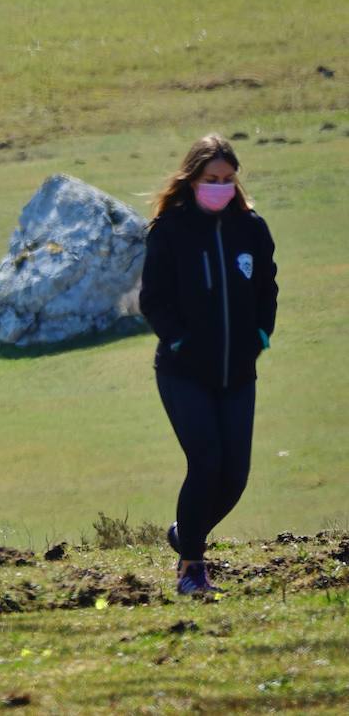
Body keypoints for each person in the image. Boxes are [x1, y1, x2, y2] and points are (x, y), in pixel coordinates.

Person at [139, 134, 278, 596]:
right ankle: (191, 568)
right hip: (183, 372)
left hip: (238, 371)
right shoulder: (170, 230)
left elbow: (267, 287)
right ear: (193, 179)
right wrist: (178, 341)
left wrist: (261, 334)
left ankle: (186, 532)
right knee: (206, 462)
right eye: (211, 179)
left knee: (235, 475)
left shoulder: (251, 228)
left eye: (227, 179)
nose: (220, 186)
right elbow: (152, 299)